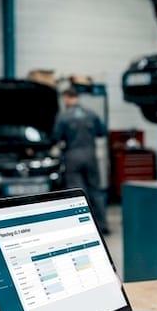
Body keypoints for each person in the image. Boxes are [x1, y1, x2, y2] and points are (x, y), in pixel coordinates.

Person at [53, 84, 109, 234]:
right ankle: (103, 226)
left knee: (77, 193)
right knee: (95, 191)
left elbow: (56, 137)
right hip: (91, 155)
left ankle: (83, 228)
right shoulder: (91, 113)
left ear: (67, 98)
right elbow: (102, 132)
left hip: (73, 157)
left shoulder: (63, 116)